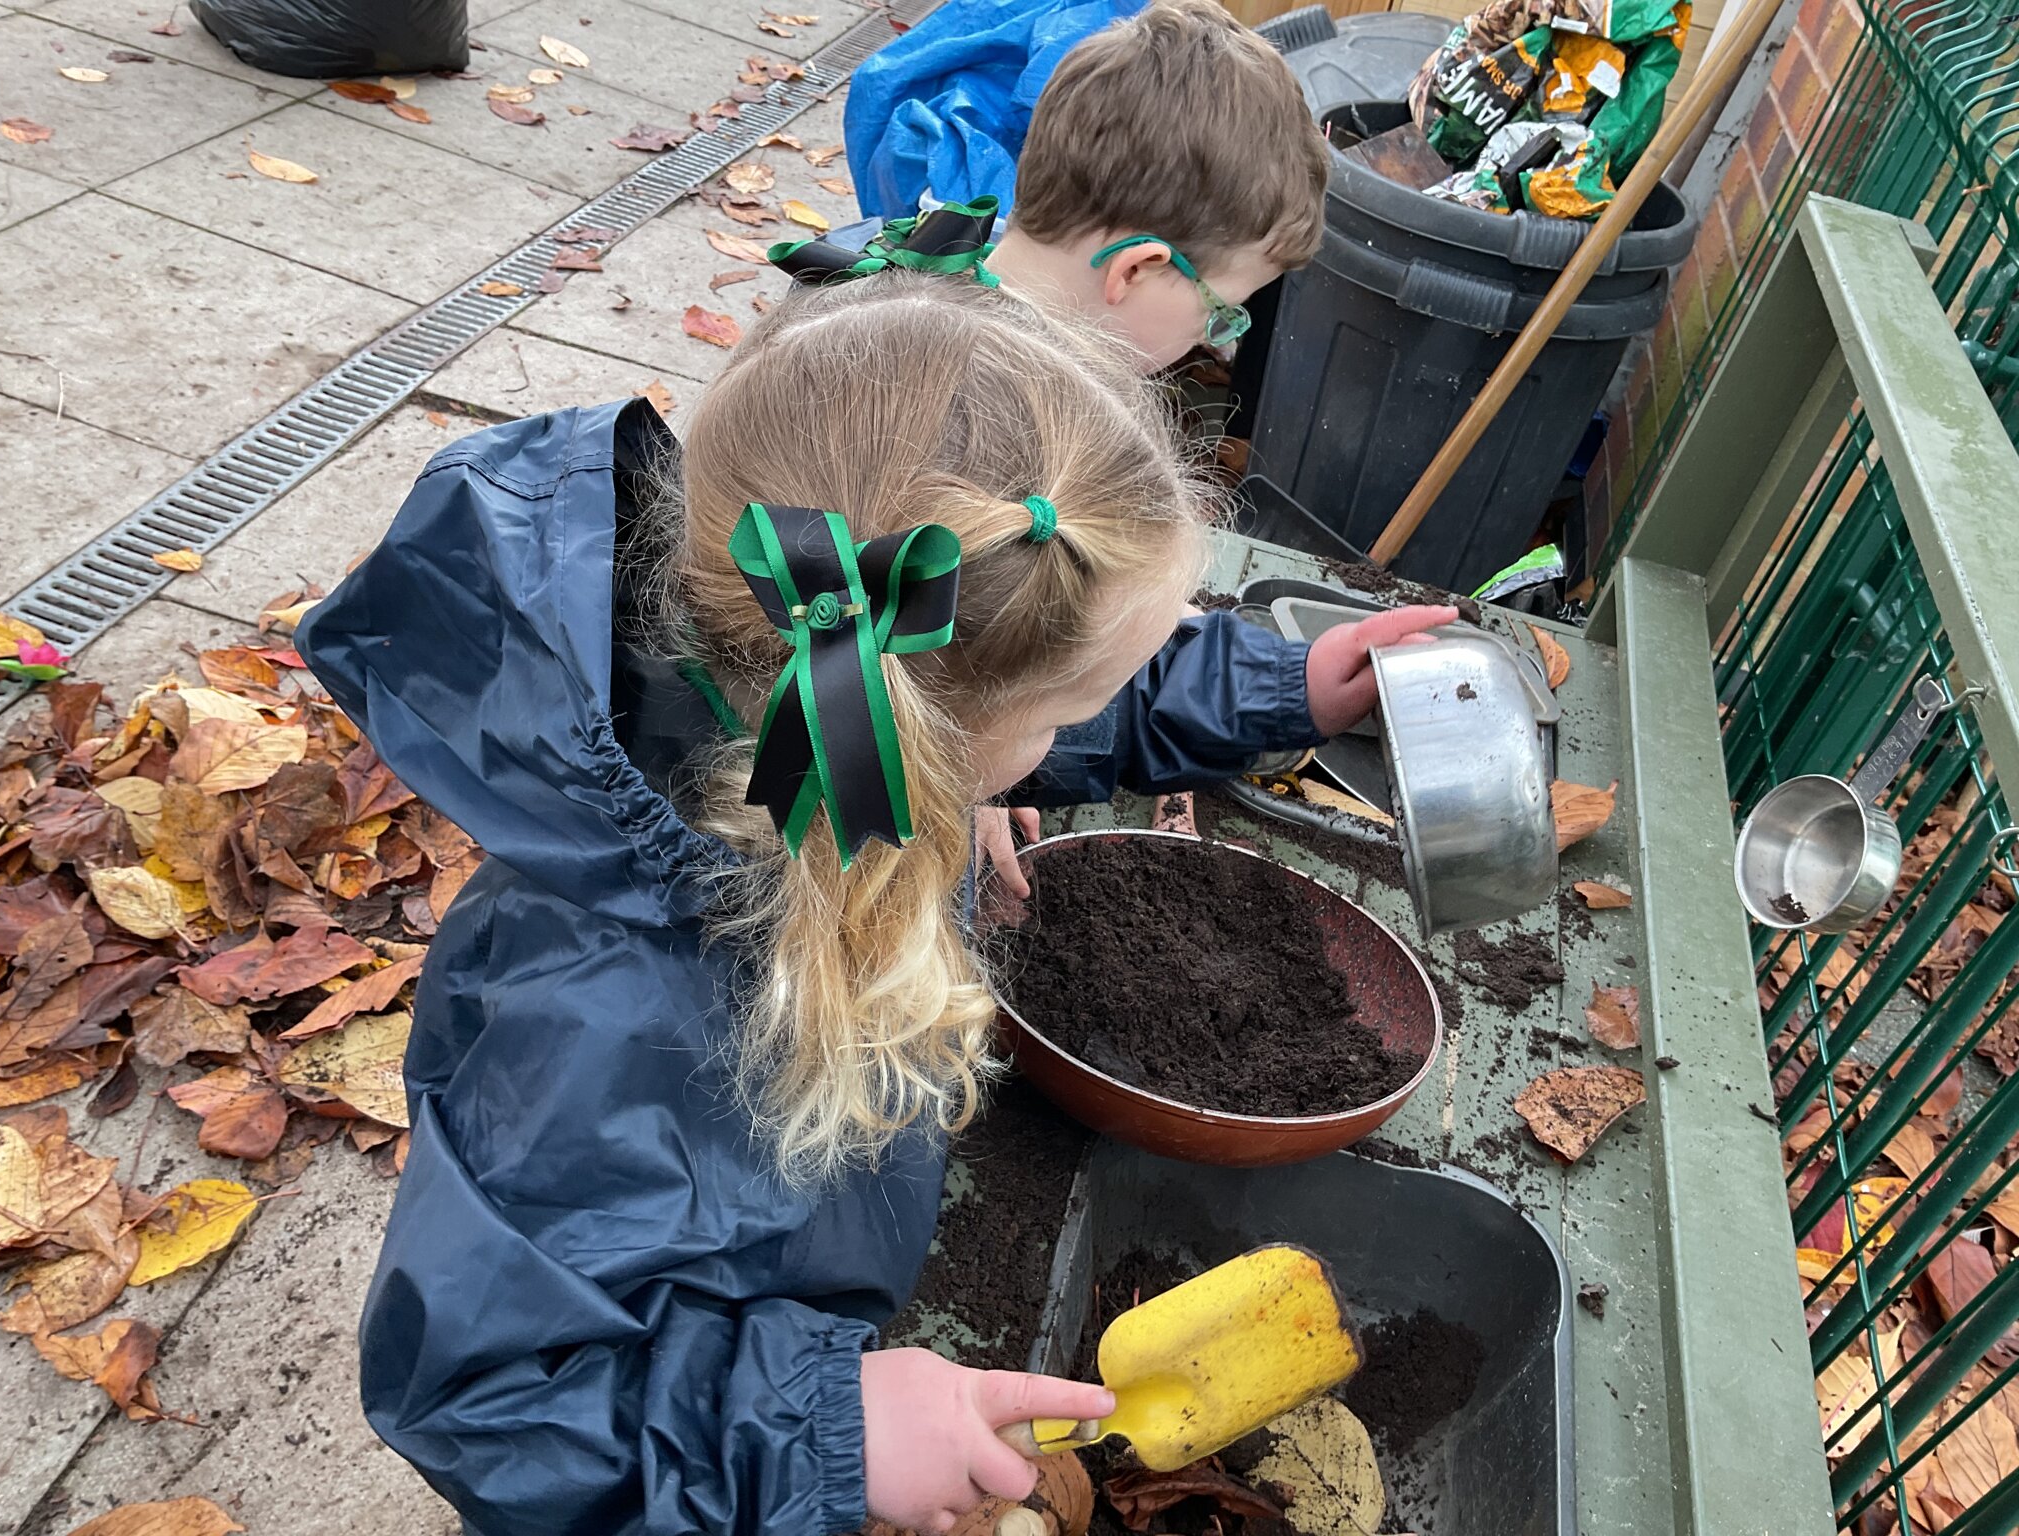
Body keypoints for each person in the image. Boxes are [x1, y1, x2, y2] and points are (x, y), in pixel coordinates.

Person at [300, 271, 1450, 1536]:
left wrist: (1282, 690)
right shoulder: (590, 1011)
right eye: (1065, 712)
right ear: (947, 731)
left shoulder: (828, 690)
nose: (1078, 726)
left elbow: (1042, 676)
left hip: (807, 1296)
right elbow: (489, 1398)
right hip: (704, 1456)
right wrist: (821, 1430)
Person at [986, 0, 1330, 368]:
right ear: (1135, 268)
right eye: (1218, 314)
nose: (1204, 338)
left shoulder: (930, 268)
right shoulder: (1053, 420)